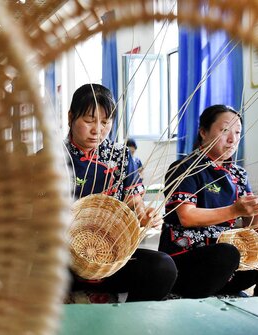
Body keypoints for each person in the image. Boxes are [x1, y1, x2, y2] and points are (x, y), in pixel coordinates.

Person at [65, 84, 176, 302]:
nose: (97, 130)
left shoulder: (121, 157)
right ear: (71, 117)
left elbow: (134, 202)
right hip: (64, 259)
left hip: (112, 258)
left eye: (105, 122)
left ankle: (127, 321)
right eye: (89, 121)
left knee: (162, 267)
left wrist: (143, 214)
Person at [160, 104, 258, 298]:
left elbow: (249, 225)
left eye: (237, 132)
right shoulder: (185, 167)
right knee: (227, 253)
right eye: (225, 130)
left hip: (227, 264)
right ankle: (188, 297)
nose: (232, 139)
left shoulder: (238, 174)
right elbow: (186, 216)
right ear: (203, 132)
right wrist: (235, 210)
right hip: (187, 260)